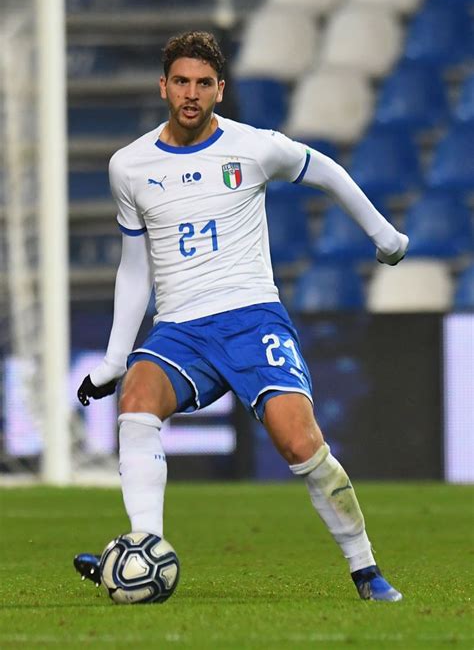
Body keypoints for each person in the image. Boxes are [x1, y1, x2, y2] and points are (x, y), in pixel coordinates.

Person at [74, 31, 408, 601]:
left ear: (220, 90)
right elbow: (136, 268)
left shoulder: (254, 148)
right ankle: (143, 549)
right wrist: (113, 359)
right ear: (163, 86)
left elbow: (324, 168)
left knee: (300, 445)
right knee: (136, 400)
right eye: (181, 81)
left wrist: (385, 235)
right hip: (179, 329)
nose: (191, 93)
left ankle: (366, 570)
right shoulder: (128, 166)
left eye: (204, 84)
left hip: (252, 320)